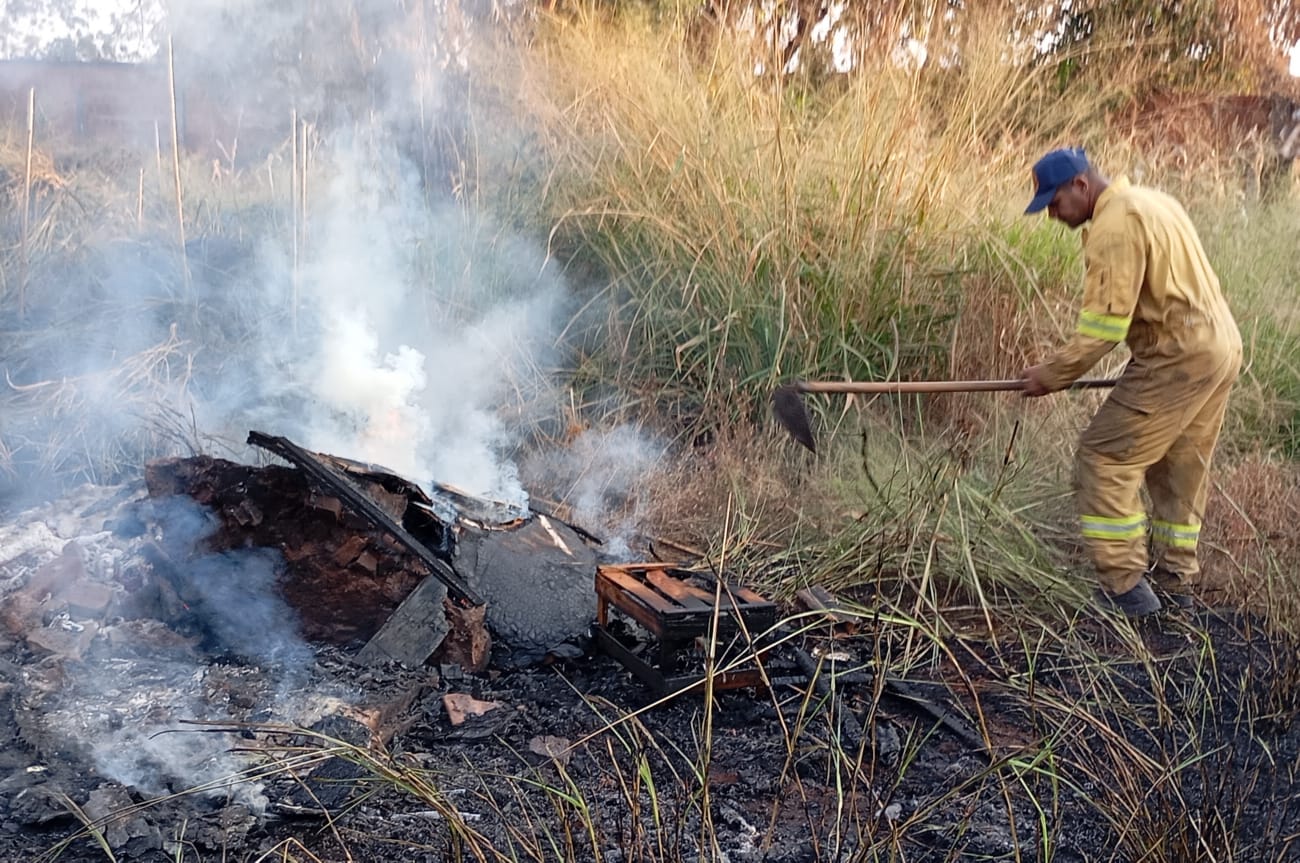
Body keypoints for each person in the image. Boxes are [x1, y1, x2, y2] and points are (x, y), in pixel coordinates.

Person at [1020, 147, 1242, 617]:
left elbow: (1103, 330)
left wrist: (1050, 375)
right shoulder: (1154, 202)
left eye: (1055, 204)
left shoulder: (1114, 224)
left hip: (1176, 356)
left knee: (1102, 458)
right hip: (1219, 347)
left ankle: (1125, 589)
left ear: (1081, 186)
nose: (1053, 216)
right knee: (1180, 466)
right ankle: (1176, 580)